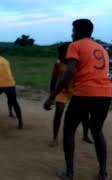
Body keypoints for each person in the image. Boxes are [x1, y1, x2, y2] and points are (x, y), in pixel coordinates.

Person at [44, 19, 111, 180]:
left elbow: (69, 72)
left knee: (69, 130)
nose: (72, 33)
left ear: (80, 31)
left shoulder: (75, 45)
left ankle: (69, 173)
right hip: (105, 94)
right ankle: (103, 173)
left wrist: (52, 96)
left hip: (84, 93)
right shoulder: (101, 48)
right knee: (97, 131)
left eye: (73, 30)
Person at [48, 43, 92, 147]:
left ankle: (85, 135)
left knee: (84, 115)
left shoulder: (78, 63)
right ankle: (55, 138)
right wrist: (52, 94)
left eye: (61, 54)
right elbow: (53, 79)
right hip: (62, 92)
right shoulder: (58, 64)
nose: (59, 56)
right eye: (59, 54)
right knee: (59, 111)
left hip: (77, 91)